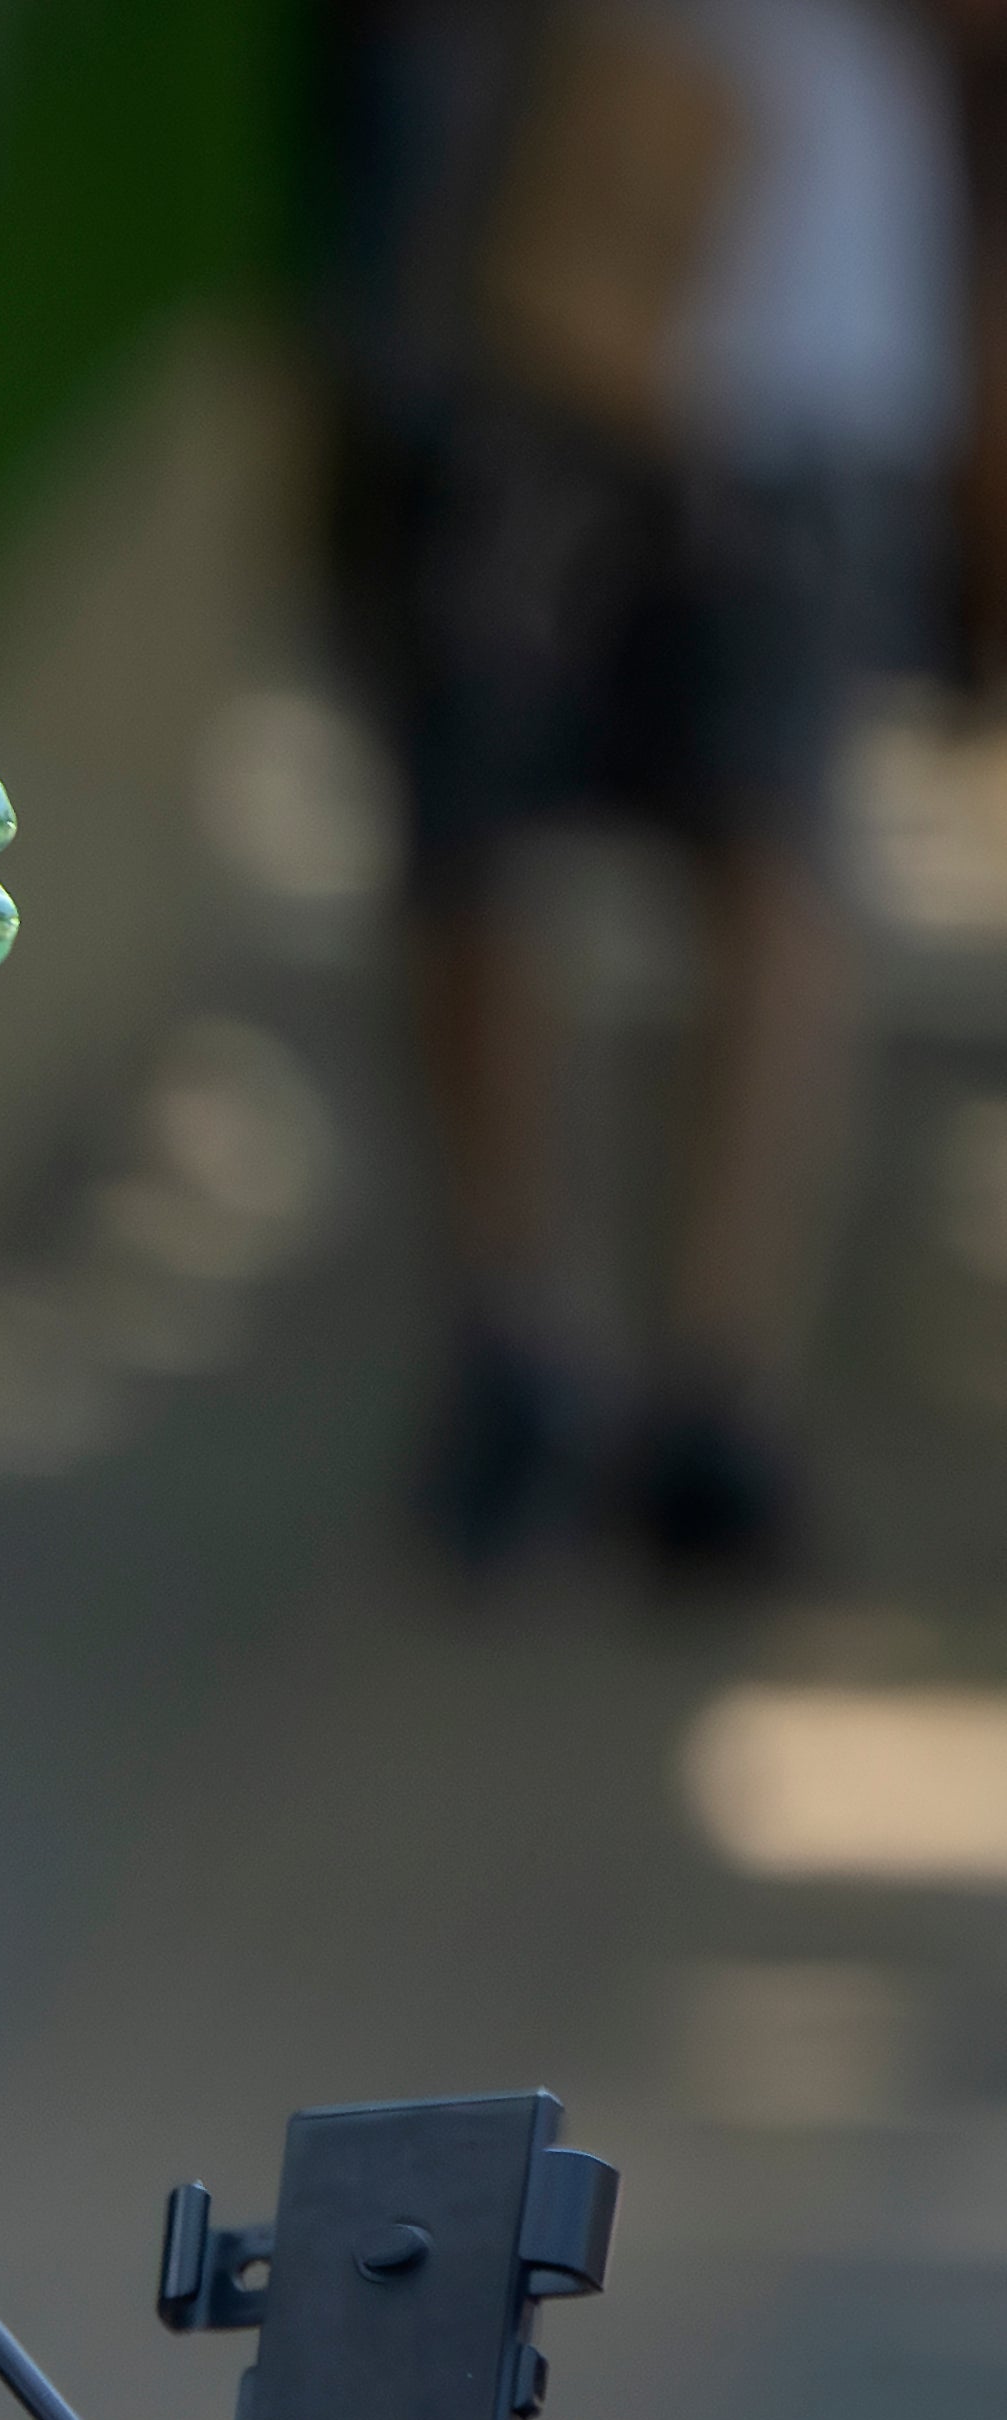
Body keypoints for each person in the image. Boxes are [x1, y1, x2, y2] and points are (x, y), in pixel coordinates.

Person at [318, 0, 969, 1579]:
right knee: (476, 849)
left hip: (798, 347)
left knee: (770, 858)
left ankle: (714, 1384)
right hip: (529, 303)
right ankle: (520, 1345)